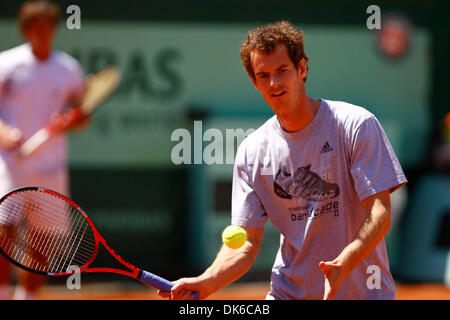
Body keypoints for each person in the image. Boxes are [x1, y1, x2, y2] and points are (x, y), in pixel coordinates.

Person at [160, 21, 407, 300]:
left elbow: (380, 211)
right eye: (263, 75)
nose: (274, 83)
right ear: (255, 82)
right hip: (289, 294)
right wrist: (206, 281)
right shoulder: (252, 152)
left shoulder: (356, 125)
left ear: (301, 69)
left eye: (282, 71)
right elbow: (246, 243)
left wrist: (347, 259)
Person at [0, 0, 88, 300]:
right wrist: (4, 132)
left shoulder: (69, 69)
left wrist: (73, 119)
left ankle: (27, 297)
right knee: (4, 233)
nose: (42, 32)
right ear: (26, 30)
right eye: (35, 27)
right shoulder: (6, 63)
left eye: (48, 26)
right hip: (9, 164)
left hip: (50, 167)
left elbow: (80, 114)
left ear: (53, 28)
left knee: (41, 240)